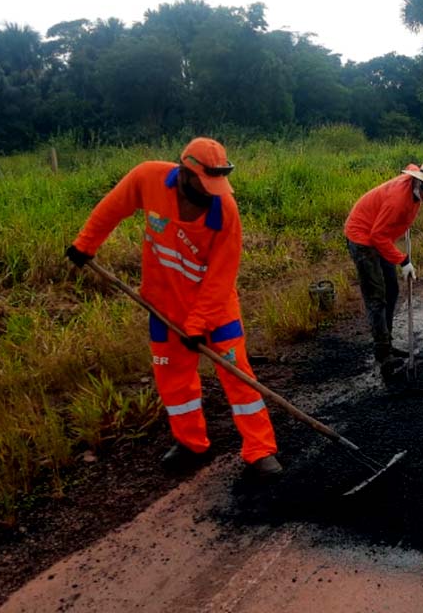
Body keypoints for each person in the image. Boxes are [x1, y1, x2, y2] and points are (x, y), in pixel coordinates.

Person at [66, 137, 283, 477]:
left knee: (239, 377)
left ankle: (260, 450)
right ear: (184, 173)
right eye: (204, 183)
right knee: (174, 381)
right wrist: (85, 244)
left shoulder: (225, 210)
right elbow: (112, 207)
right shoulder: (147, 177)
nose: (212, 192)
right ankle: (191, 444)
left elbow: (221, 277)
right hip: (164, 308)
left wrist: (198, 324)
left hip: (216, 311)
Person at [344, 159, 423, 377]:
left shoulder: (413, 183)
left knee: (392, 290)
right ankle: (383, 354)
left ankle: (387, 342)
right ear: (420, 184)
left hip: (380, 237)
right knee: (376, 297)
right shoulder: (397, 201)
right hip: (363, 238)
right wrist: (403, 261)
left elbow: (412, 166)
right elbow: (377, 236)